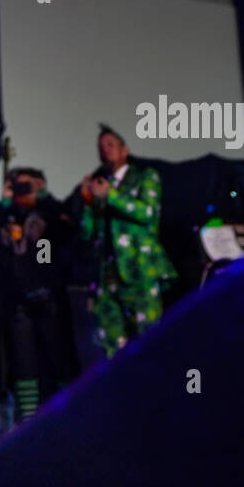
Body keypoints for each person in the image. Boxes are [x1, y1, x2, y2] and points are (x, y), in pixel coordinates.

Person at [0, 167, 78, 418]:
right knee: (24, 366)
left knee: (59, 362)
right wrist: (2, 203)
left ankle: (65, 418)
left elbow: (69, 228)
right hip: (16, 302)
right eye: (18, 187)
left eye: (28, 187)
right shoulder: (7, 216)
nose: (22, 193)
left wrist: (44, 198)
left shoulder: (50, 214)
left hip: (49, 297)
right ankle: (29, 421)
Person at [79, 125, 176, 357]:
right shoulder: (101, 186)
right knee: (111, 342)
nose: (105, 151)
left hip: (139, 269)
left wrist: (110, 196)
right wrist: (87, 202)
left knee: (149, 338)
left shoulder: (145, 177)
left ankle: (155, 389)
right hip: (108, 275)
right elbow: (87, 234)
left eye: (111, 145)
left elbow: (148, 214)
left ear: (125, 150)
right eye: (101, 148)